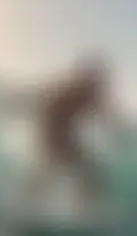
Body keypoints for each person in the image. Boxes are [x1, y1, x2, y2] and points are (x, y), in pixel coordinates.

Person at [27, 51, 120, 214]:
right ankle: (30, 201)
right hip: (51, 128)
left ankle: (85, 209)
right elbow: (43, 100)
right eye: (95, 77)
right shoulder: (72, 88)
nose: (99, 82)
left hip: (66, 133)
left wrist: (120, 134)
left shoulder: (95, 94)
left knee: (86, 170)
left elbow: (107, 115)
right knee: (55, 165)